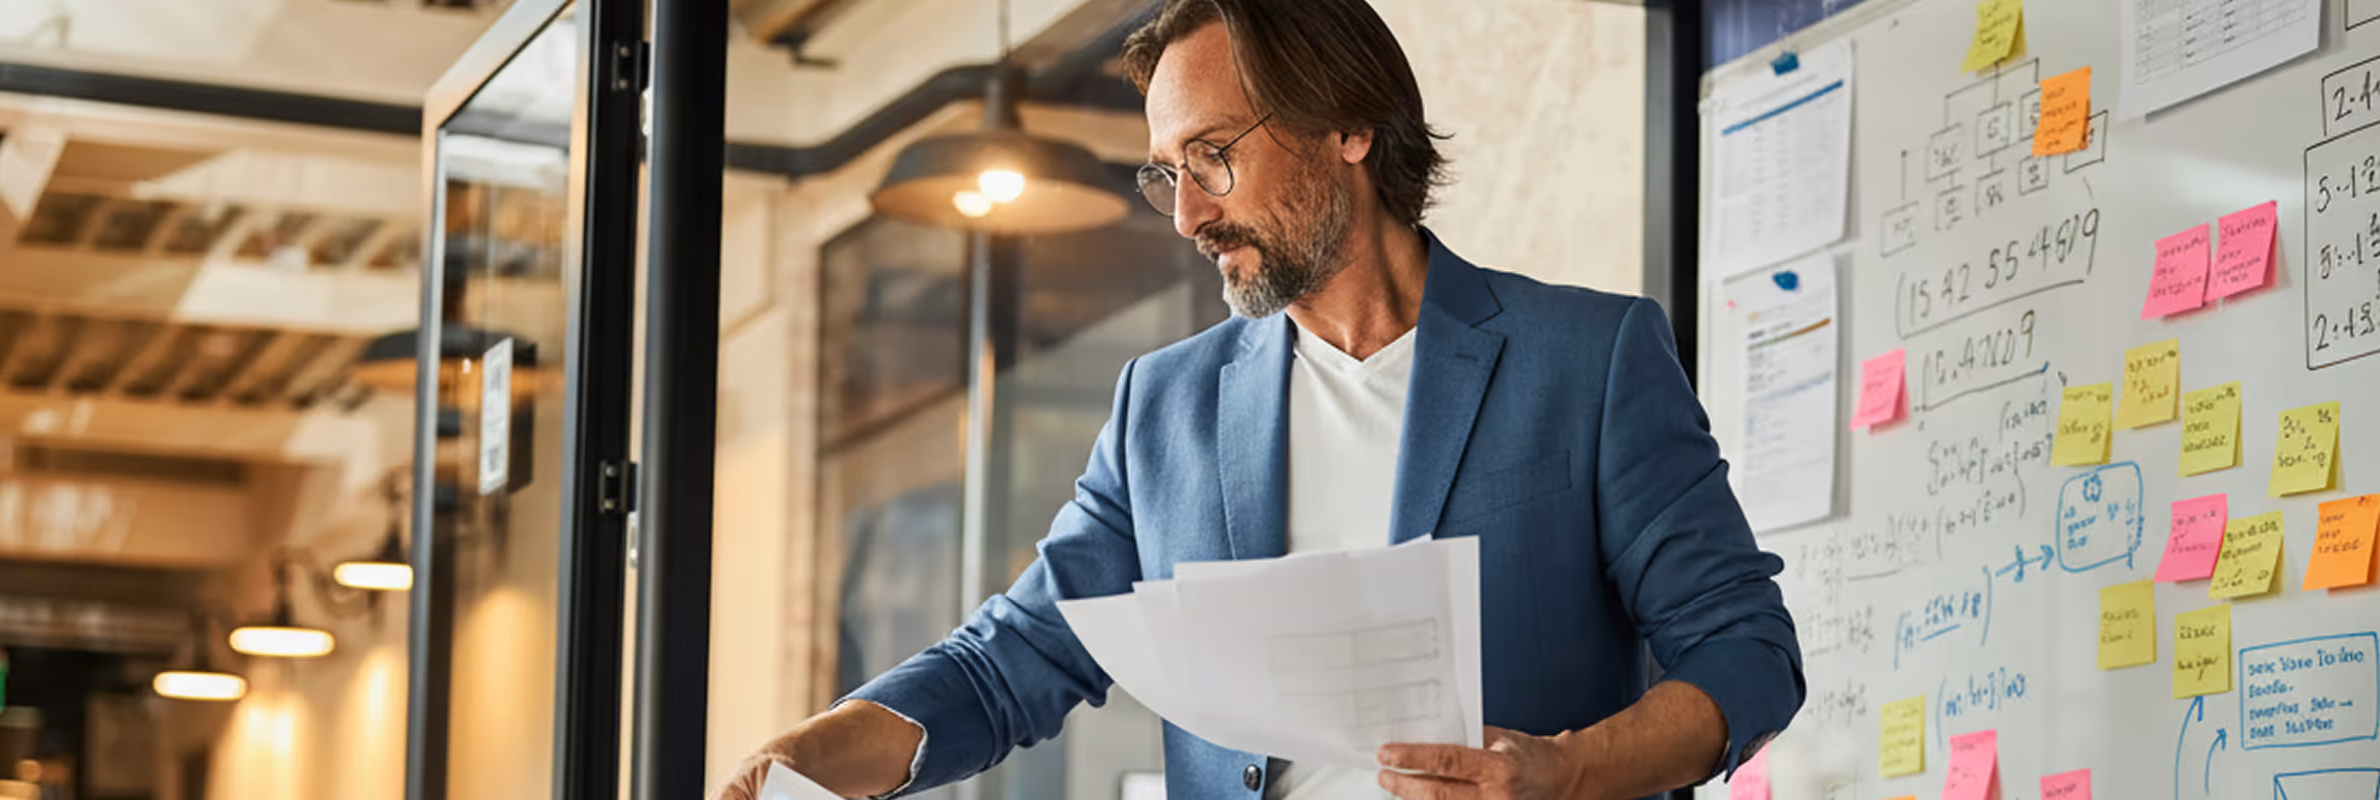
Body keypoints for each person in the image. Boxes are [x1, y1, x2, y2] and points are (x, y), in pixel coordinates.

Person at [715, 0, 1803, 797]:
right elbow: (1013, 659)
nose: (1183, 214)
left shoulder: (1587, 356)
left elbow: (1745, 652)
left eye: (1211, 156)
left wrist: (1562, 770)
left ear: (1347, 125)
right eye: (1161, 172)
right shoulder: (1163, 408)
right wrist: (820, 748)